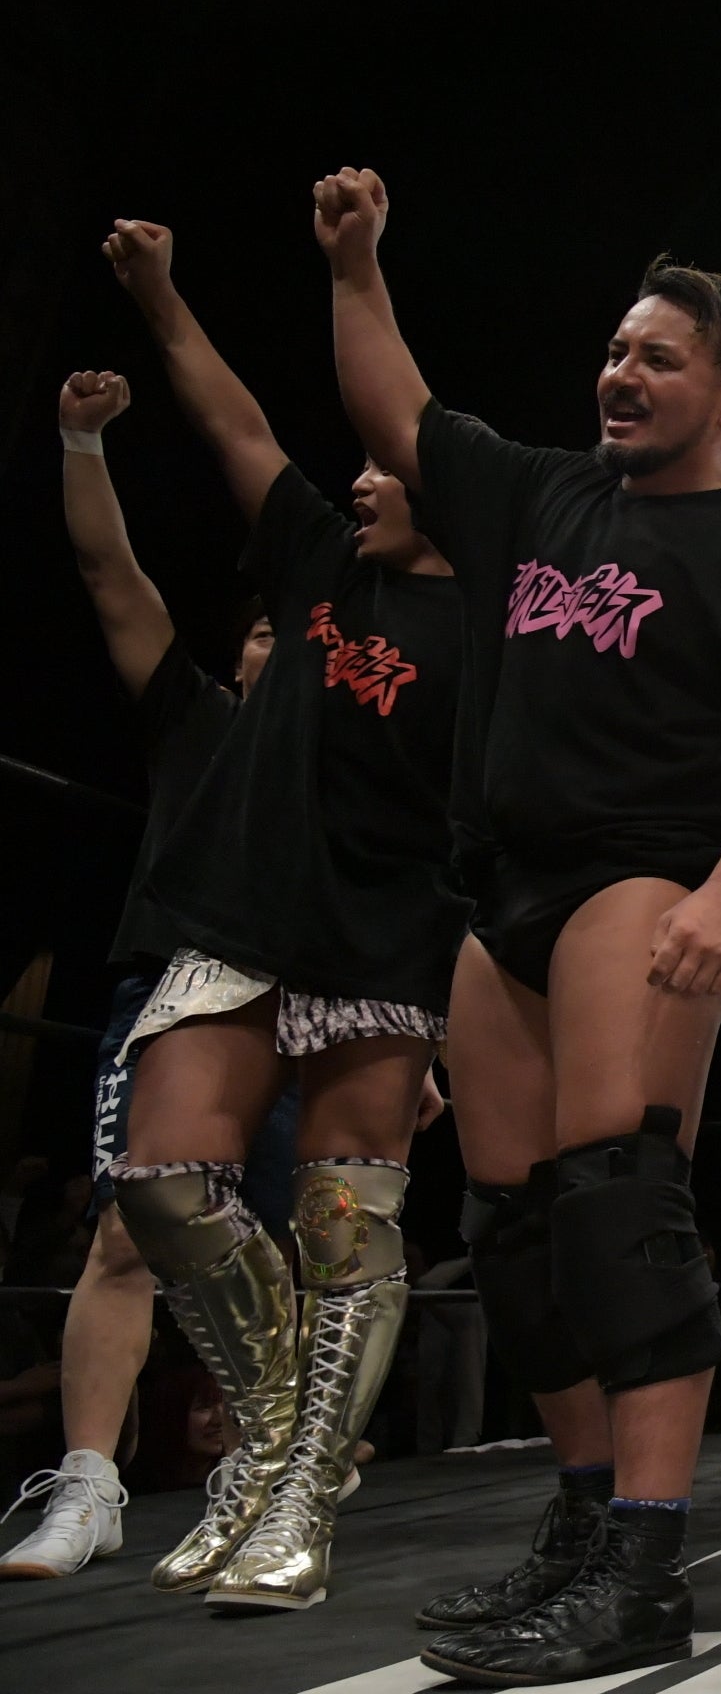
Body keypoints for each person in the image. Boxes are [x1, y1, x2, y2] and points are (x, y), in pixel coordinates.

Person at [320, 168, 721, 1680]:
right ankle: (576, 1522)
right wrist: (357, 265)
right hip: (507, 888)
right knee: (513, 1229)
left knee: (622, 1204)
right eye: (617, 351)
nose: (621, 374)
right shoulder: (545, 495)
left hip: (646, 878)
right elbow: (400, 417)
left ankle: (646, 1564)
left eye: (658, 359)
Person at [89, 218, 466, 1610]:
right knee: (161, 1178)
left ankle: (304, 1492)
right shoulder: (320, 559)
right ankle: (268, 1446)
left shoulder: (492, 627)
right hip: (245, 912)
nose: (359, 481)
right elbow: (232, 422)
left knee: (343, 1220)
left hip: (382, 930)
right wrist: (158, 293)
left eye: (385, 467)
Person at [0, 375, 282, 1583]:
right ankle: (88, 1481)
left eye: (296, 631)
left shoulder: (357, 768)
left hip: (303, 1003)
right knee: (128, 1228)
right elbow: (112, 575)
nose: (273, 642)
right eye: (260, 630)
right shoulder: (194, 718)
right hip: (173, 988)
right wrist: (80, 441)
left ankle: (270, 1467)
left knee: (289, 1246)